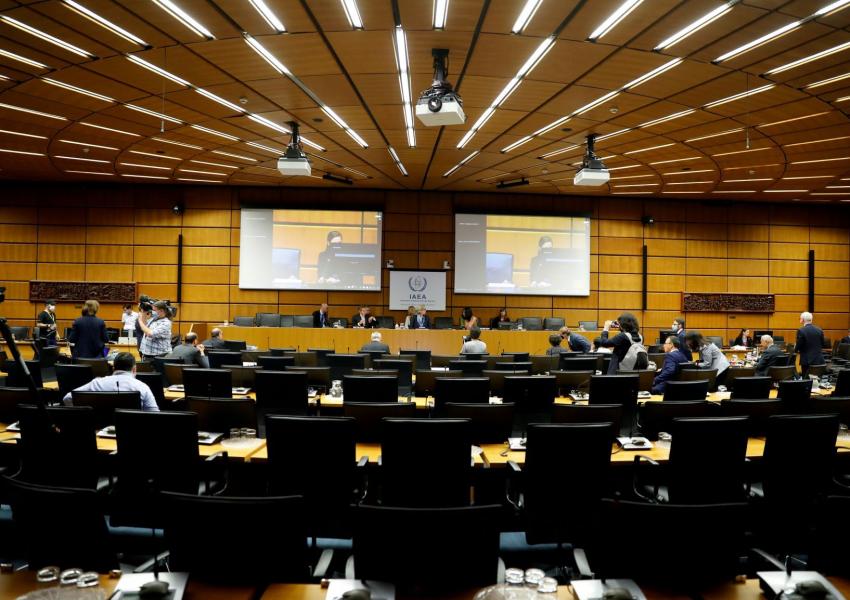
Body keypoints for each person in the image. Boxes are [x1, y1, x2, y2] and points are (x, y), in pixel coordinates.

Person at [63, 352, 158, 411]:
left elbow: (67, 398)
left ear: (113, 368)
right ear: (134, 369)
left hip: (98, 433)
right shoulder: (142, 387)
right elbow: (154, 414)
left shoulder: (97, 383)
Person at [796, 311, 825, 376]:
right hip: (818, 359)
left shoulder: (801, 330)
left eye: (800, 318)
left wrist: (795, 349)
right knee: (817, 378)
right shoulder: (819, 330)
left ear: (803, 320)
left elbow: (799, 346)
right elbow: (823, 344)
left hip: (806, 360)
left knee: (806, 379)